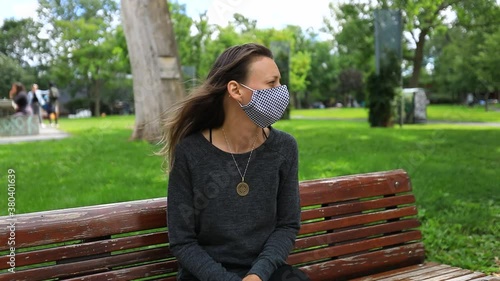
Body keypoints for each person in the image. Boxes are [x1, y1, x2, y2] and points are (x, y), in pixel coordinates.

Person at [160, 43, 309, 281]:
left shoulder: (284, 148)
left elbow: (287, 225)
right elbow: (182, 241)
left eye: (280, 82)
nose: (281, 91)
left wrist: (258, 274)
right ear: (236, 90)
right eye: (272, 83)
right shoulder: (190, 151)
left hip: (265, 274)